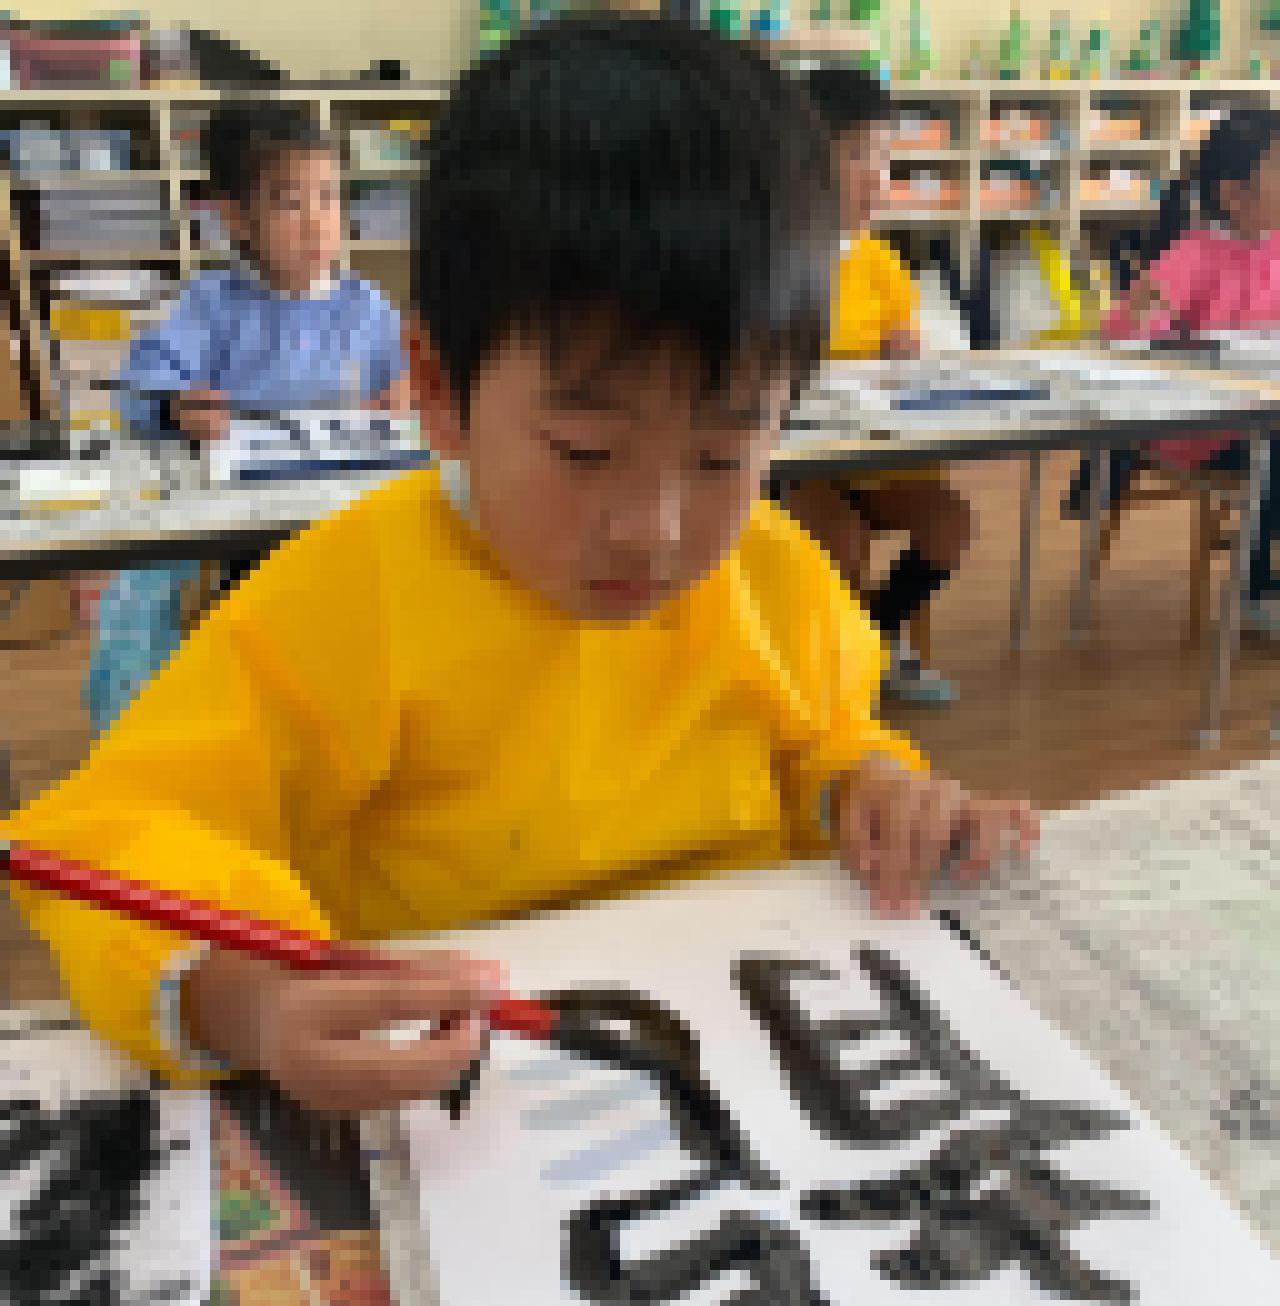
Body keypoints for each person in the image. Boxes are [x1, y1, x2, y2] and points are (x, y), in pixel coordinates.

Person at [5, 14, 1037, 1121]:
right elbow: (116, 840)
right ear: (438, 389)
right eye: (584, 451)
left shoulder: (772, 569)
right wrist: (247, 1002)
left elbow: (817, 738)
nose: (652, 530)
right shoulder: (350, 600)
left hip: (747, 1068)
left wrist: (869, 792)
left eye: (722, 456)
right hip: (467, 1099)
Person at [78, 101, 411, 734]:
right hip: (246, 524)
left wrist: (402, 394)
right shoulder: (212, 305)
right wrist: (177, 407)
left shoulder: (364, 306)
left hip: (346, 516)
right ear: (236, 217)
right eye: (289, 201)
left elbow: (403, 383)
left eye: (329, 196)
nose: (317, 221)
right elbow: (142, 389)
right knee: (260, 640)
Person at [776, 65, 974, 706]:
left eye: (884, 158)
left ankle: (875, 637)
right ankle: (832, 665)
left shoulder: (881, 262)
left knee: (950, 524)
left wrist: (912, 362)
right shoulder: (773, 259)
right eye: (858, 155)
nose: (876, 177)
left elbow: (904, 356)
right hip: (796, 462)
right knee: (841, 538)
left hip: (876, 454)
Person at [1098, 106, 1280, 638]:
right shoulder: (1192, 255)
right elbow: (1127, 336)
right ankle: (1254, 590)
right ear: (1235, 193)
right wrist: (1148, 316)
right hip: (1201, 429)